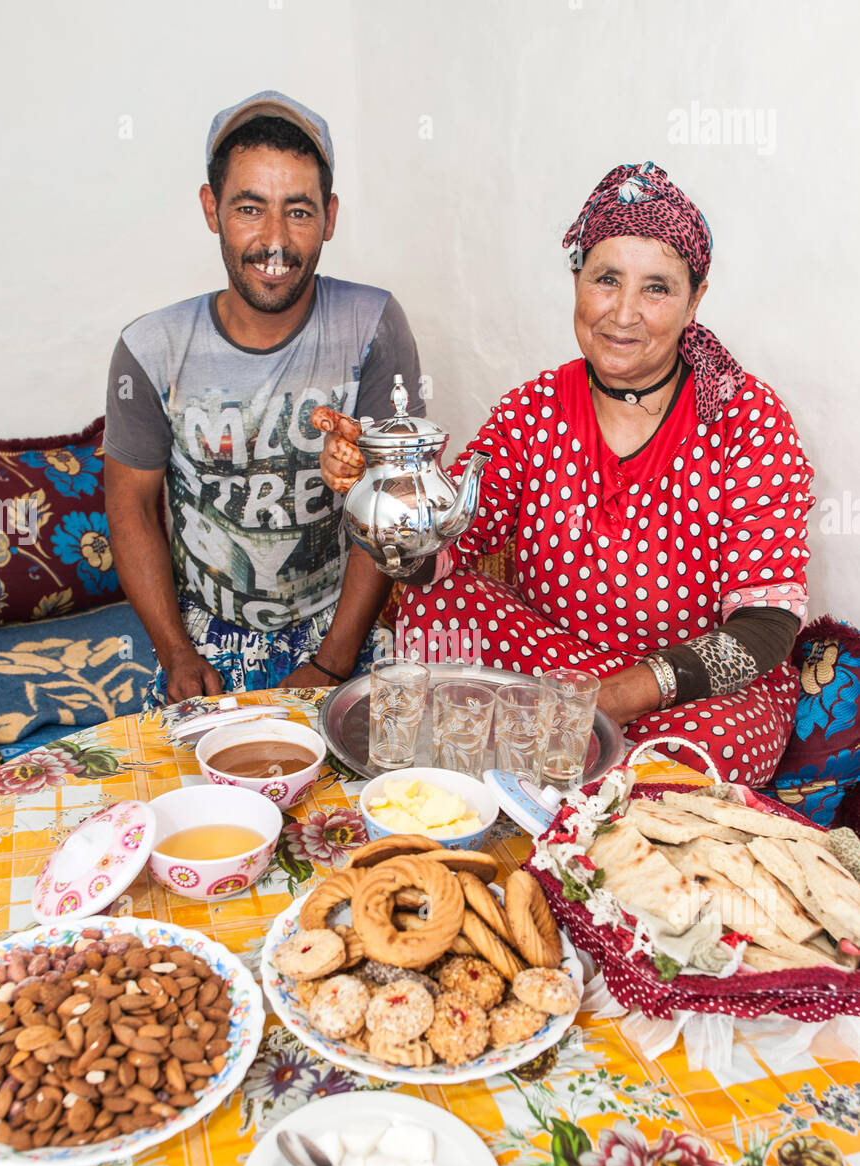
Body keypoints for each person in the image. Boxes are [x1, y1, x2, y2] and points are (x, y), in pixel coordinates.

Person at [320, 162, 812, 786]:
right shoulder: (533, 409)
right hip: (556, 665)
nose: (624, 313)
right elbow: (438, 559)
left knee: (690, 764)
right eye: (606, 279)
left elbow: (767, 624)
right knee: (431, 605)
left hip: (690, 691)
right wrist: (386, 496)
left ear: (696, 298)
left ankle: (559, 774)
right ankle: (543, 768)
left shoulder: (747, 419)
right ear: (578, 279)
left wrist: (608, 700)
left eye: (656, 288)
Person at [104, 90, 422, 706]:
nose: (274, 241)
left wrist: (331, 665)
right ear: (211, 208)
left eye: (298, 212)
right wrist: (176, 651)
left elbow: (392, 507)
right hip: (200, 634)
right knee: (186, 796)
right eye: (250, 208)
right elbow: (132, 511)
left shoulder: (373, 324)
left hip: (341, 623)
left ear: (330, 217)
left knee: (388, 789)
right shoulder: (150, 349)